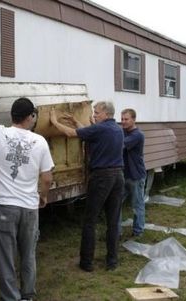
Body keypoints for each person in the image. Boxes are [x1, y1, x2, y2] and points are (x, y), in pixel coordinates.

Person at [0, 79, 54, 301]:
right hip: (29, 207)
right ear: (31, 117)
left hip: (5, 208)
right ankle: (27, 296)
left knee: (5, 258)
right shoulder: (40, 142)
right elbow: (47, 177)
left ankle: (11, 298)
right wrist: (42, 196)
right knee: (28, 256)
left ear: (12, 116)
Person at [50, 101, 124, 272]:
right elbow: (88, 133)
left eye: (97, 112)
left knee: (90, 220)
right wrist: (76, 121)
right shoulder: (116, 129)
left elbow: (71, 134)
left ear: (106, 114)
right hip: (118, 176)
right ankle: (112, 261)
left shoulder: (100, 128)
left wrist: (54, 121)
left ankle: (86, 263)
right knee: (113, 221)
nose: (94, 115)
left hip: (102, 177)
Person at [120, 108, 146, 238]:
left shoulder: (137, 135)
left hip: (136, 176)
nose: (123, 121)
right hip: (124, 175)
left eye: (126, 119)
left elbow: (120, 144)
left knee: (137, 205)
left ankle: (138, 231)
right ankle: (116, 232)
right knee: (116, 204)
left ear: (134, 120)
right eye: (122, 119)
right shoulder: (122, 132)